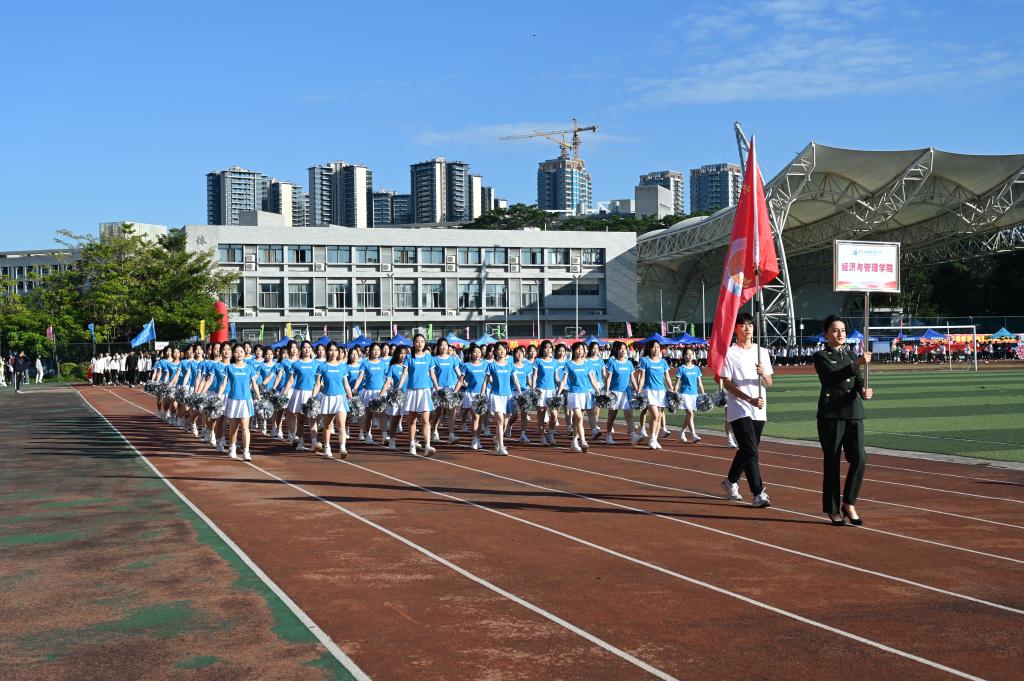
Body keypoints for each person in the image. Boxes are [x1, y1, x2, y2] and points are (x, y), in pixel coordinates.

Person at [814, 315, 874, 526]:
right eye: (835, 330)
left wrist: (864, 391)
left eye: (843, 330)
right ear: (826, 334)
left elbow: (858, 381)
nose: (840, 334)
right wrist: (857, 364)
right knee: (832, 462)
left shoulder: (850, 354)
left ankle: (849, 502)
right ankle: (832, 509)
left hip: (853, 412)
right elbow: (831, 377)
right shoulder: (821, 356)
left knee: (860, 458)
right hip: (832, 414)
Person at [719, 312, 773, 508]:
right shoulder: (730, 353)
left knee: (748, 449)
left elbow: (769, 382)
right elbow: (727, 382)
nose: (747, 328)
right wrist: (748, 398)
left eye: (750, 324)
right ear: (735, 329)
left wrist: (763, 373)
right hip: (740, 407)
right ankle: (758, 493)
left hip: (759, 407)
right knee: (750, 449)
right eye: (743, 325)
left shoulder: (762, 352)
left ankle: (730, 481)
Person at [216, 343, 262, 461]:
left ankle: (246, 451)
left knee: (245, 426)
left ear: (244, 353)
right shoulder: (229, 368)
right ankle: (232, 447)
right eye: (236, 352)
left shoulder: (249, 368)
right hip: (233, 399)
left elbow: (254, 384)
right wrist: (218, 397)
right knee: (234, 426)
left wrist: (259, 398)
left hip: (246, 400)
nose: (239, 354)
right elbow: (223, 384)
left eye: (241, 351)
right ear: (233, 354)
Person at [555, 341, 602, 452]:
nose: (580, 351)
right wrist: (558, 393)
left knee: (577, 419)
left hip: (585, 395)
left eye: (582, 349)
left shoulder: (587, 364)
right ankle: (583, 441)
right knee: (579, 417)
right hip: (574, 394)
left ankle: (574, 441)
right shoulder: (569, 364)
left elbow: (593, 380)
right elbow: (564, 381)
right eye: (578, 349)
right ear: (573, 351)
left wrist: (598, 391)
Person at [313, 341, 352, 459]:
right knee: (327, 425)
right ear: (327, 352)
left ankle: (342, 448)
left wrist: (351, 397)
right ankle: (327, 447)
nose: (333, 353)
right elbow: (317, 384)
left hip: (340, 398)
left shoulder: (342, 367)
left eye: (336, 350)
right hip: (327, 397)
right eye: (331, 350)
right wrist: (313, 397)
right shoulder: (322, 366)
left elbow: (346, 384)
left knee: (341, 425)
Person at [636, 340, 674, 450]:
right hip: (649, 391)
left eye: (658, 347)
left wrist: (672, 390)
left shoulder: (663, 362)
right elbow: (642, 377)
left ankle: (654, 439)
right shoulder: (645, 361)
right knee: (655, 415)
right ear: (649, 349)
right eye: (653, 347)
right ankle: (652, 438)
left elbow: (667, 377)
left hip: (661, 392)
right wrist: (639, 390)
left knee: (659, 416)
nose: (656, 349)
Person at [603, 341, 637, 445]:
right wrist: (607, 391)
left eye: (624, 349)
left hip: (626, 393)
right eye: (620, 349)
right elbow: (608, 378)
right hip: (614, 393)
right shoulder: (613, 363)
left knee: (629, 414)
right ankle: (608, 435)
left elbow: (632, 379)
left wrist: (637, 390)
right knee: (612, 416)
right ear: (617, 351)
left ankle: (633, 436)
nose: (623, 351)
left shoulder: (629, 363)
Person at [675, 347, 705, 443]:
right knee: (690, 414)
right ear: (684, 356)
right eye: (687, 354)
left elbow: (700, 383)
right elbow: (677, 383)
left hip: (694, 394)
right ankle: (693, 435)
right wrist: (674, 393)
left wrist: (703, 394)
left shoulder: (696, 368)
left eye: (691, 354)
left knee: (689, 416)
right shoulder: (681, 369)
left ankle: (682, 432)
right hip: (684, 394)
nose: (689, 356)